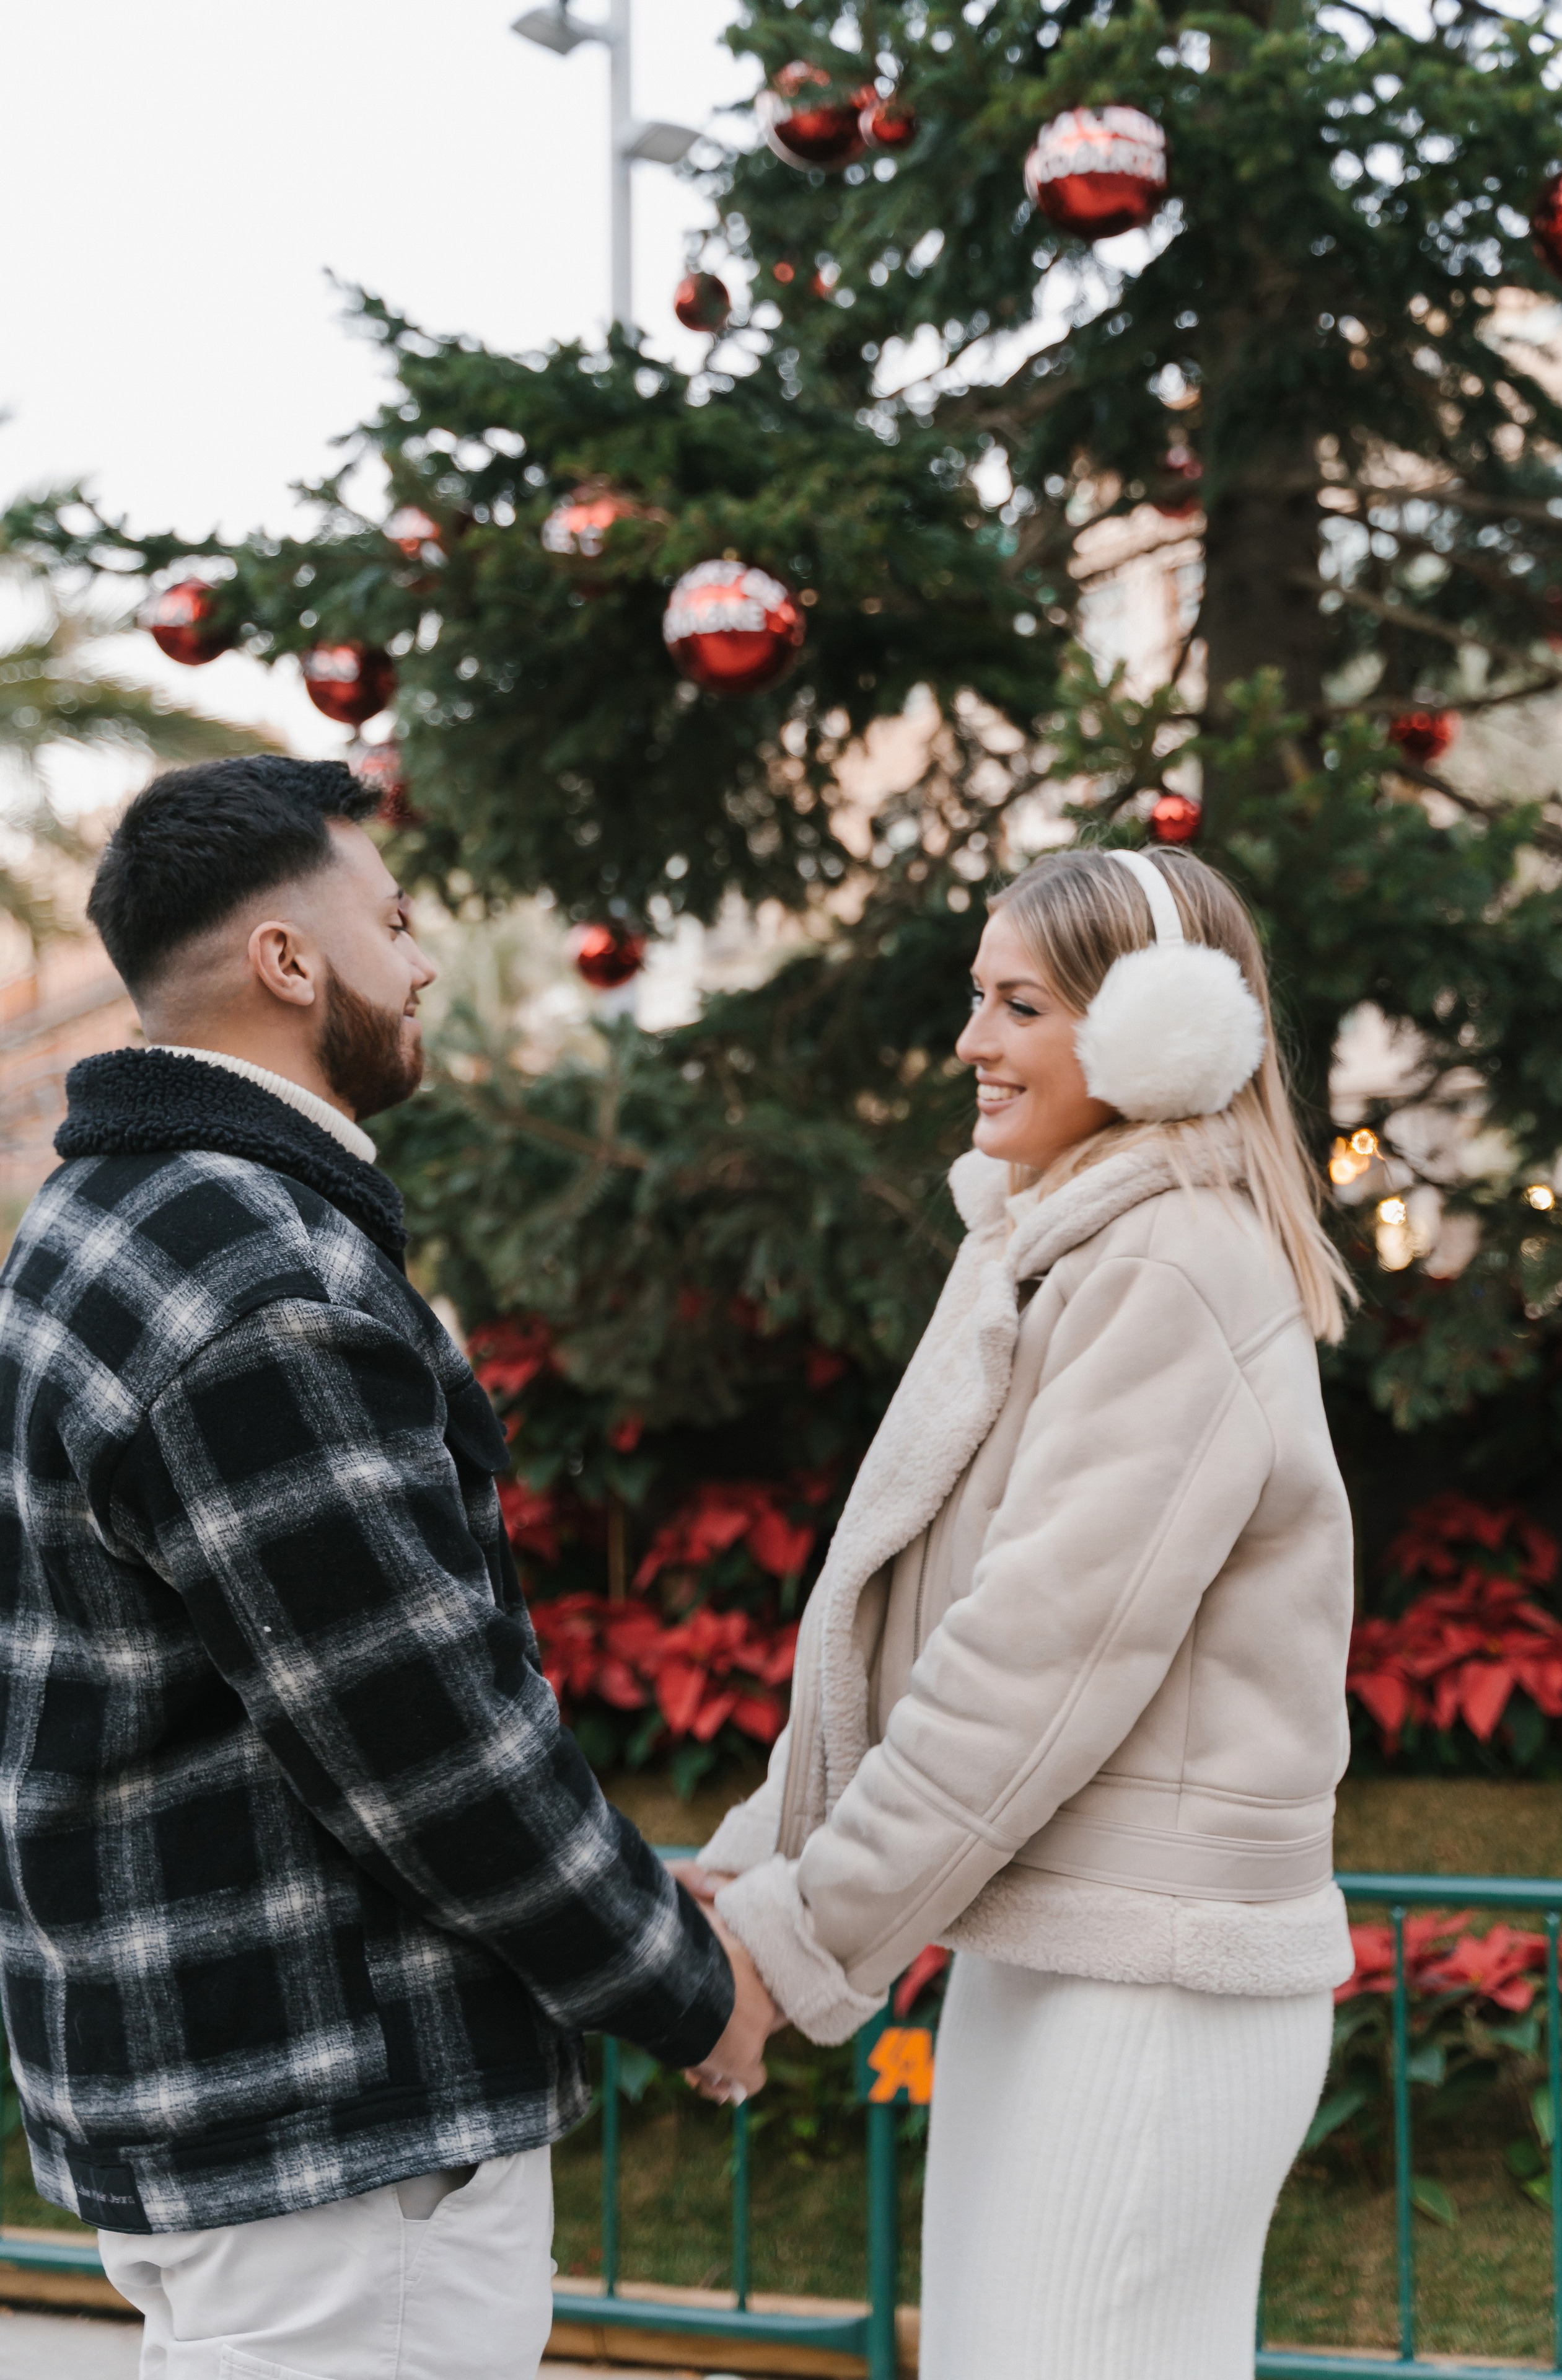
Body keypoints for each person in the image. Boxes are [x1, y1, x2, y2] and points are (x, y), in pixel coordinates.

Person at [0, 756, 776, 2380]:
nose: (424, 962)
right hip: (341, 2141)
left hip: (220, 2108)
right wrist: (688, 1983)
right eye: (397, 919)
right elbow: (428, 1744)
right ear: (290, 962)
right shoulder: (256, 1275)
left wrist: (639, 1888)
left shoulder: (96, 1230)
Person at [680, 847, 1358, 2380]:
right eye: (972, 1000)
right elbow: (910, 1636)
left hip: (1153, 1984)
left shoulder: (1168, 1264)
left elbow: (1026, 1675)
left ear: (1158, 1035)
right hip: (1065, 1959)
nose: (972, 1045)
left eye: (1017, 1005)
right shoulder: (1057, 1251)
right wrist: (749, 1871)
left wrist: (785, 1951)